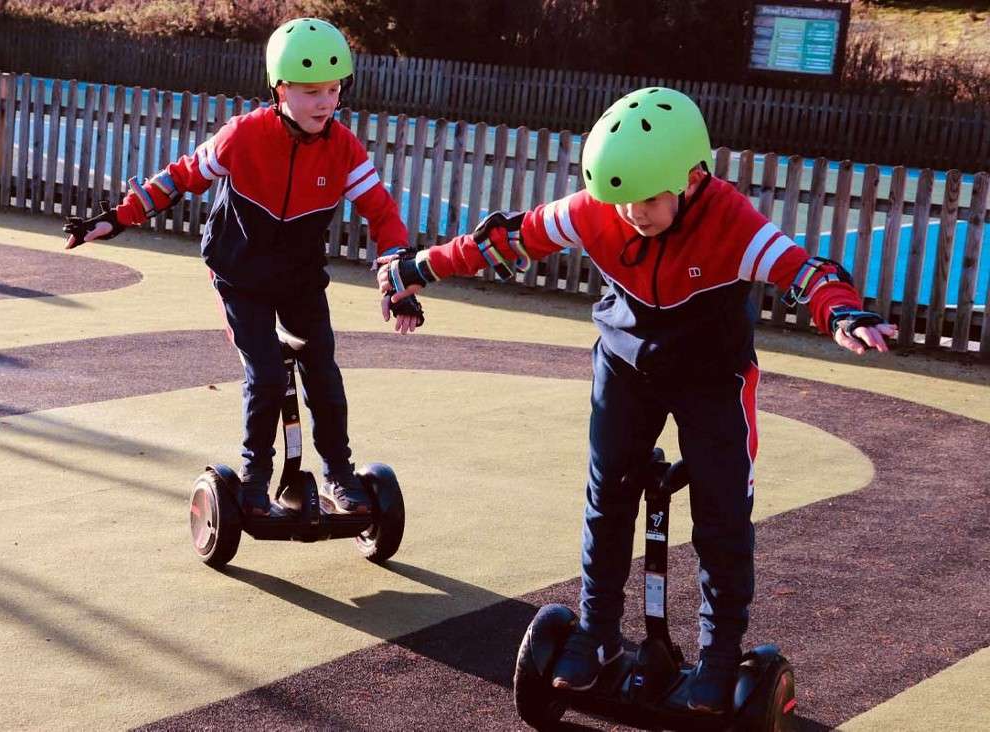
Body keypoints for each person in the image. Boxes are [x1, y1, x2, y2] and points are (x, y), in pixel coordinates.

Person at [376, 87, 895, 713]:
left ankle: (719, 655)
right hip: (626, 364)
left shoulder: (731, 222)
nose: (633, 215)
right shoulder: (599, 209)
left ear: (694, 176)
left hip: (713, 376)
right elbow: (507, 239)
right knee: (608, 493)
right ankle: (596, 635)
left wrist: (840, 312)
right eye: (621, 199)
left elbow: (804, 271)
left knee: (722, 512)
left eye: (649, 199)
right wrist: (420, 268)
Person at [64, 18, 424, 517]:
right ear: (280, 89)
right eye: (312, 90)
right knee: (268, 373)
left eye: (334, 89)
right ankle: (255, 473)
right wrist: (119, 218)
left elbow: (383, 215)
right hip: (240, 273)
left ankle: (339, 473)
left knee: (323, 370)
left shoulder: (344, 150)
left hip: (298, 276)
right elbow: (183, 175)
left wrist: (398, 281)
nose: (327, 102)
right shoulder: (244, 136)